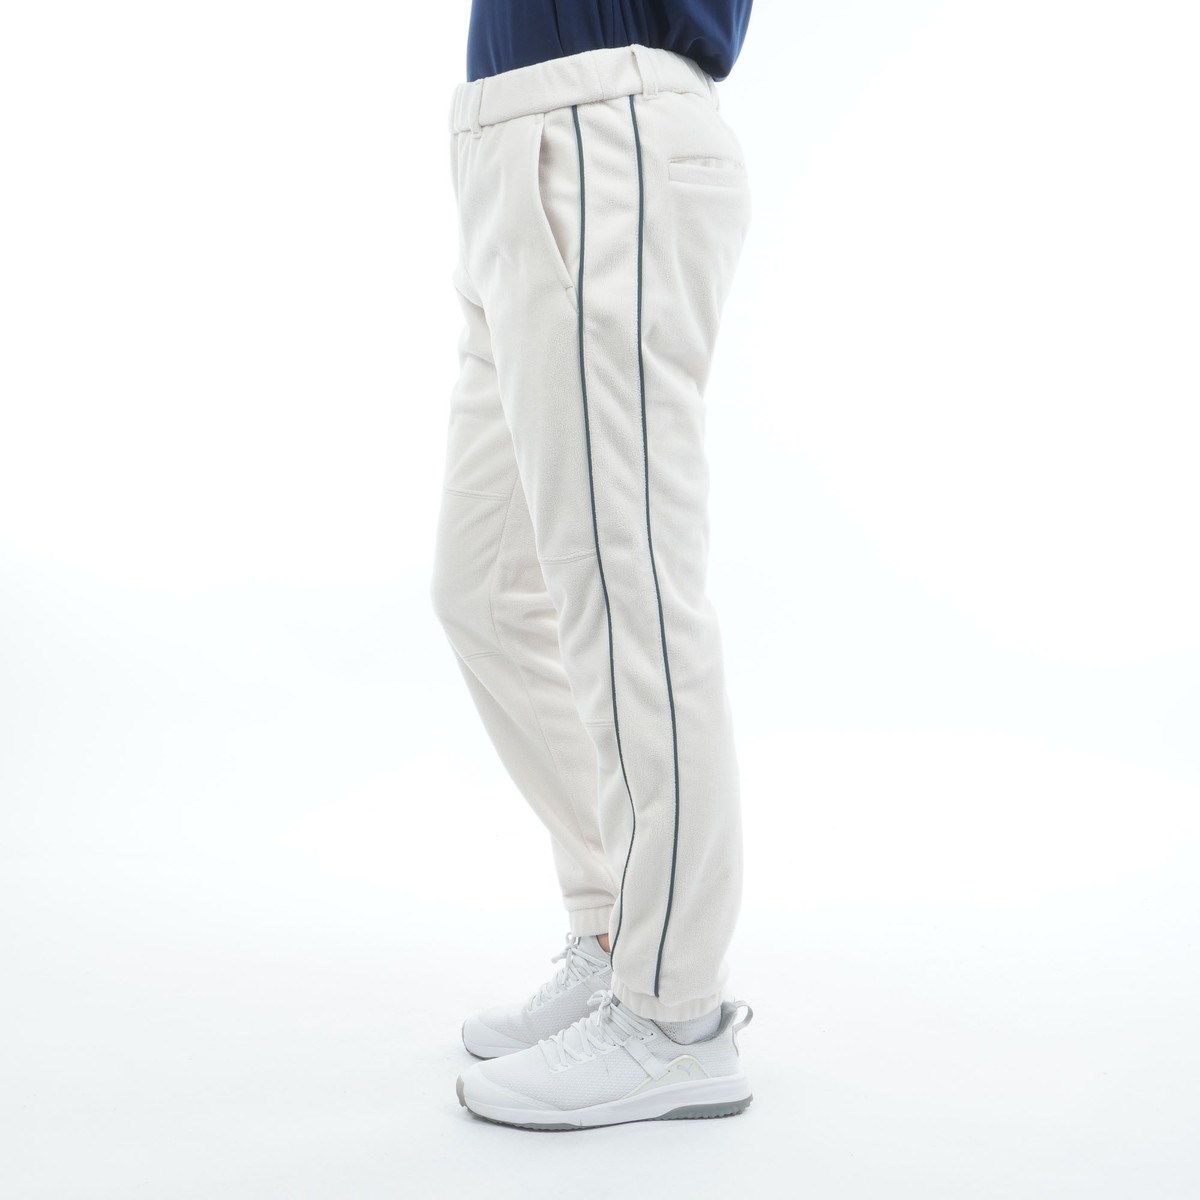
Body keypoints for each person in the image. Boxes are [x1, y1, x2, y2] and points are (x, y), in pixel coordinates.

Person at [431, 1, 756, 1129]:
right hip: (512, 144)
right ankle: (623, 925)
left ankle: (675, 1013)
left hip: (603, 128)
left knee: (632, 594)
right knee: (482, 587)